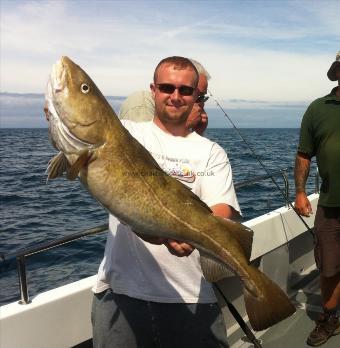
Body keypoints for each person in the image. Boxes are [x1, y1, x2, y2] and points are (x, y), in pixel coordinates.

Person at [91, 56, 241, 347]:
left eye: (185, 90)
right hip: (121, 292)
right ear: (153, 90)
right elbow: (81, 138)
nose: (175, 96)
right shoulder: (125, 134)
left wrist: (188, 233)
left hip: (189, 295)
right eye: (166, 87)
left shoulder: (212, 152)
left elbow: (221, 210)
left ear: (197, 95)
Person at [294, 51, 340, 347]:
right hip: (331, 205)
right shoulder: (317, 109)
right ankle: (330, 318)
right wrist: (299, 192)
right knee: (330, 268)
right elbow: (303, 155)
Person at [119, 59, 211, 136]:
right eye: (186, 90)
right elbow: (141, 152)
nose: (176, 97)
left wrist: (196, 133)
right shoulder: (141, 102)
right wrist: (185, 125)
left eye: (201, 97)